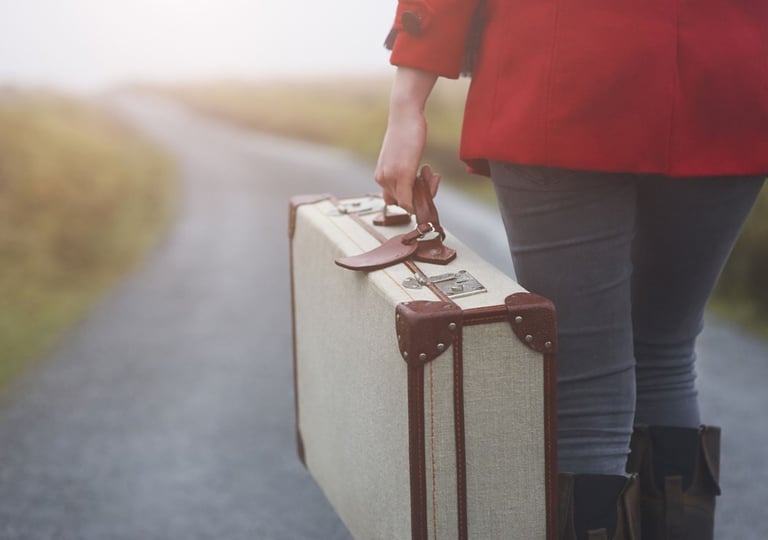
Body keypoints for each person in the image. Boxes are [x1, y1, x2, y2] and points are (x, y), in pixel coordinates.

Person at [375, 2, 767, 539]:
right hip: (728, 79)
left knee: (586, 390)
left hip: (563, 78)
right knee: (667, 354)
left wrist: (406, 106)